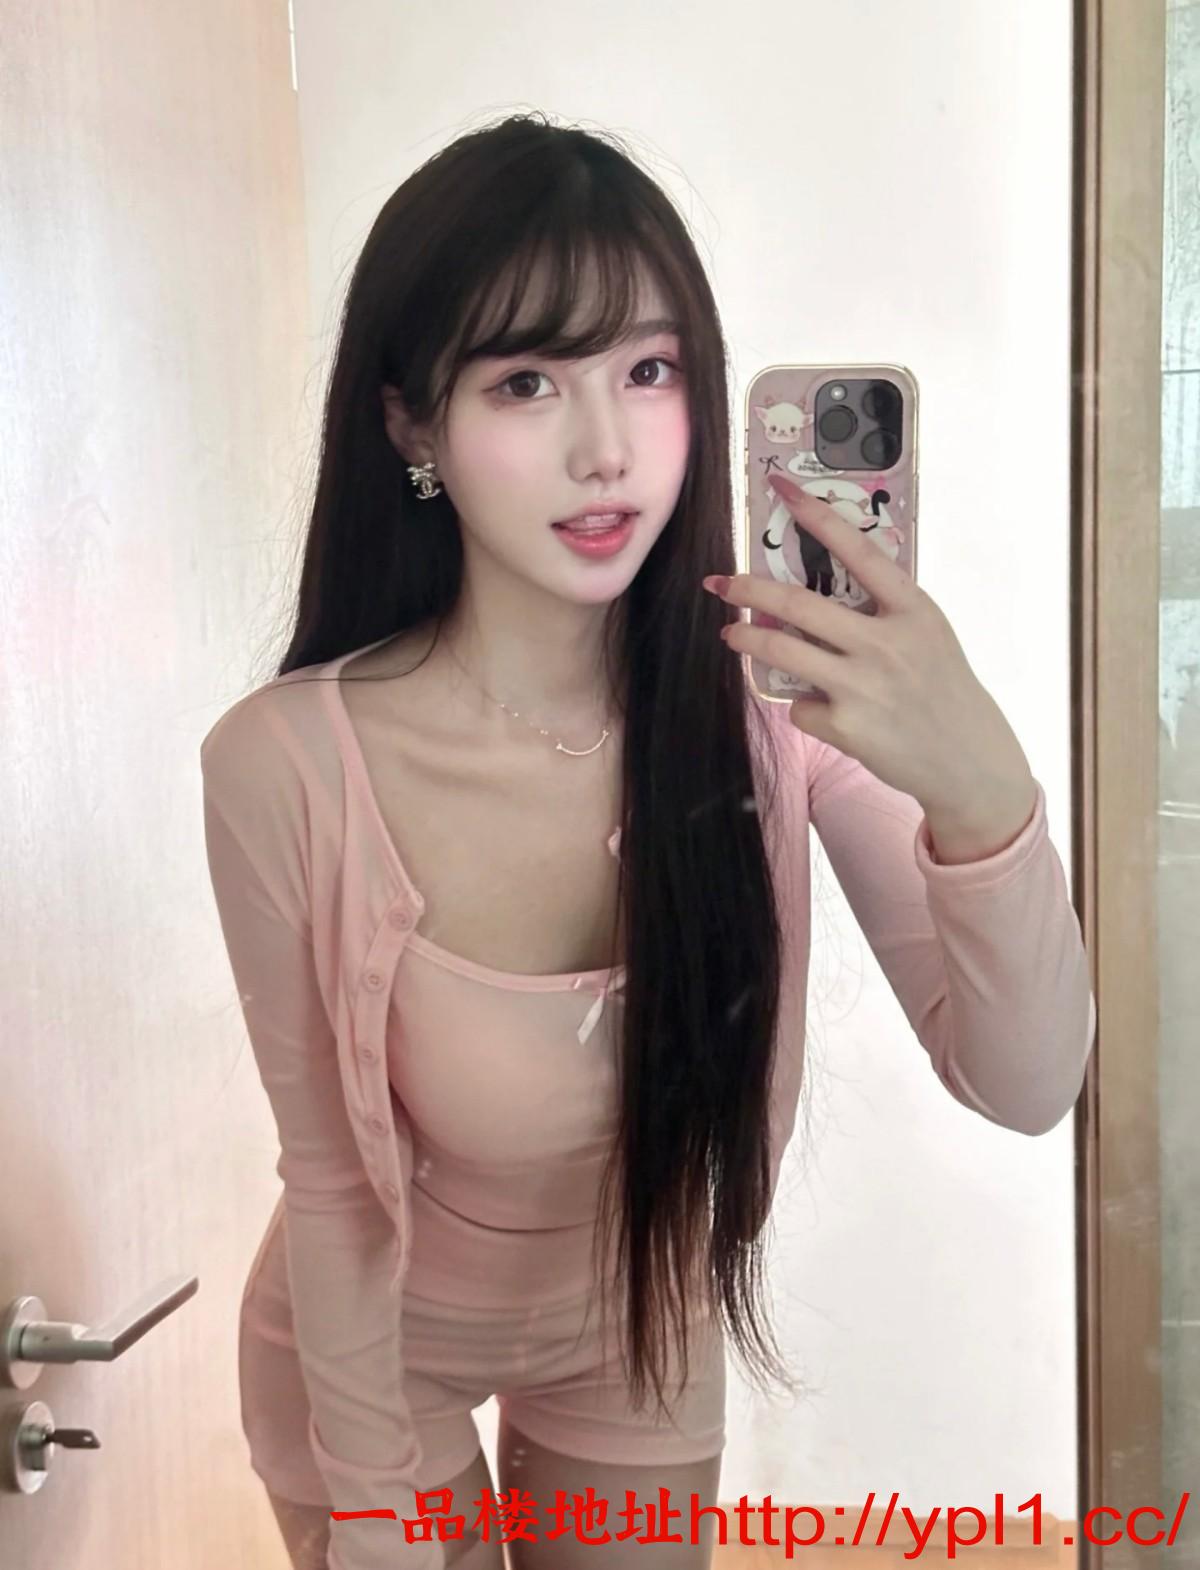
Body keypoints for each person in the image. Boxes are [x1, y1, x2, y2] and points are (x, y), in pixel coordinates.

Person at [199, 112, 1096, 1570]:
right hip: (366, 1359)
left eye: (650, 370)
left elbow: (1029, 1080)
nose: (606, 449)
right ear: (412, 425)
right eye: (527, 381)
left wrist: (982, 790)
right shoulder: (285, 763)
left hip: (640, 1314)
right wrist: (376, 1530)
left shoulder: (778, 717)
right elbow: (335, 1189)